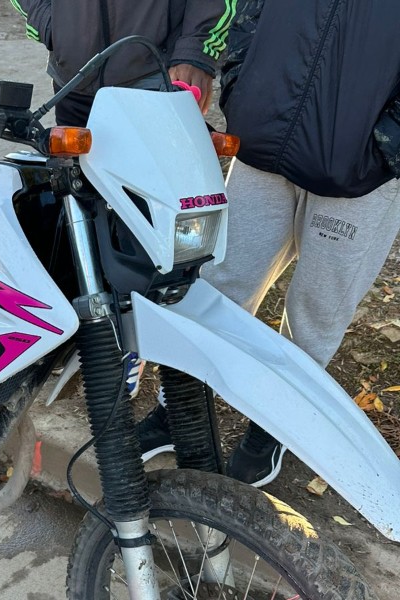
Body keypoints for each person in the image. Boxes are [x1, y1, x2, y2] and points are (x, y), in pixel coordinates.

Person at [139, 0, 400, 487]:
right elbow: (249, 12)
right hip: (267, 140)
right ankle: (181, 406)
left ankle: (280, 420)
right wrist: (246, 91)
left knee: (317, 309)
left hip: (360, 175)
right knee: (220, 280)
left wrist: (383, 148)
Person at [10, 0, 235, 126]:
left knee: (161, 193)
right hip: (73, 82)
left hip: (155, 77)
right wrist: (49, 22)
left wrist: (196, 48)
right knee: (78, 190)